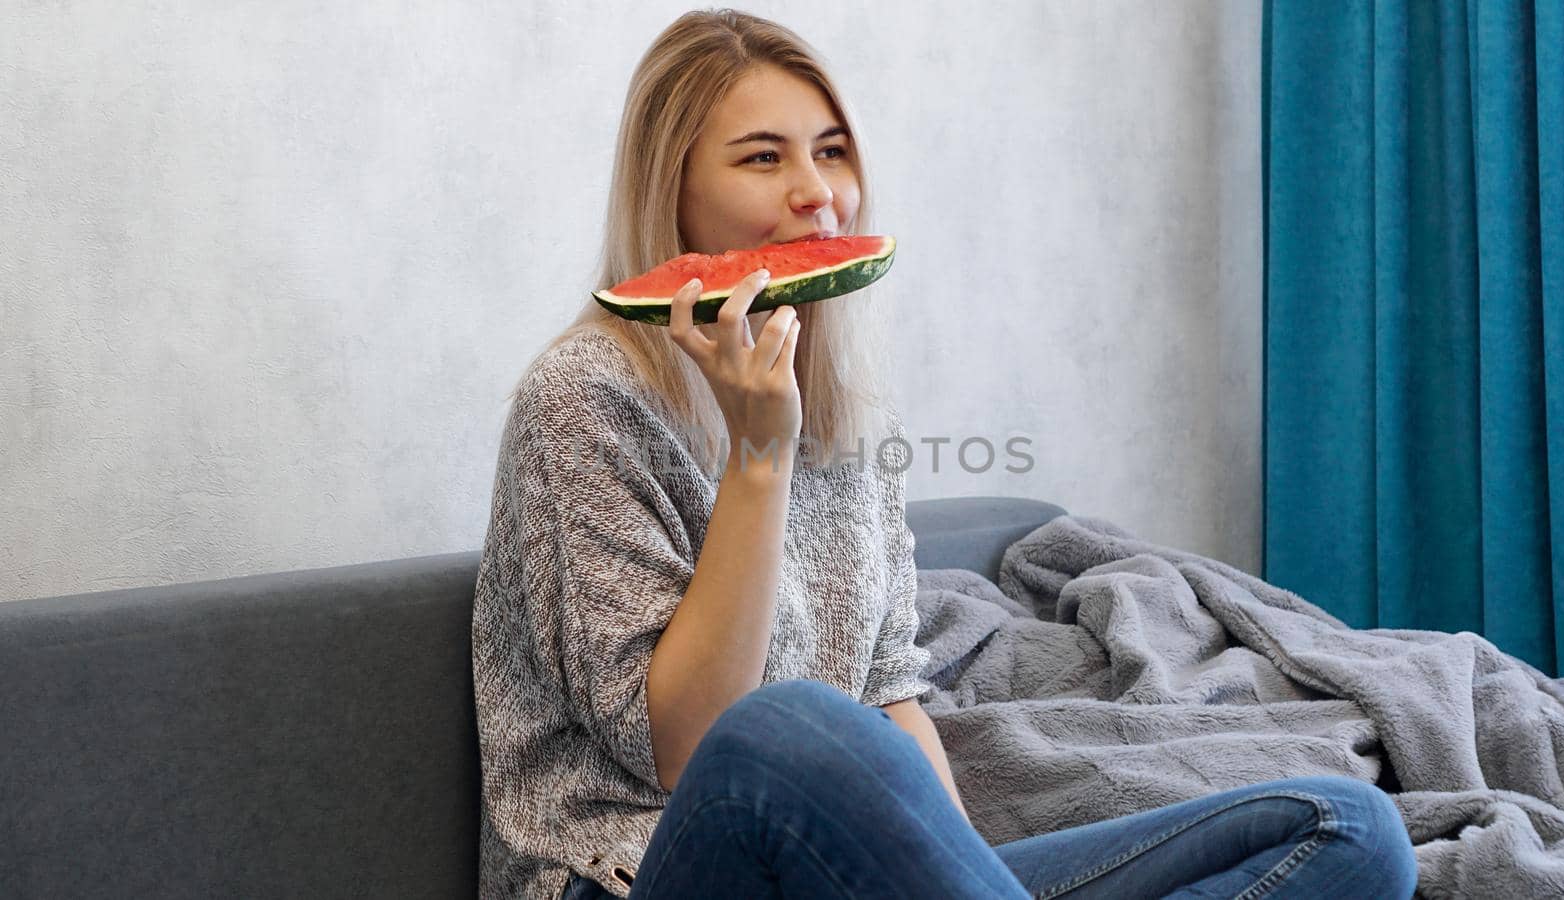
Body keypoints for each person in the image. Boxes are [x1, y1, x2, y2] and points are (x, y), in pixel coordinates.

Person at [470, 8, 1420, 900]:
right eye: (763, 158)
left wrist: (955, 869)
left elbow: (890, 697)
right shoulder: (585, 398)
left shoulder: (851, 407)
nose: (818, 193)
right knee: (787, 723)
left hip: (842, 871)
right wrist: (759, 459)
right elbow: (685, 749)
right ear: (669, 188)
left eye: (832, 151)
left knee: (1348, 828)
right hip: (639, 868)